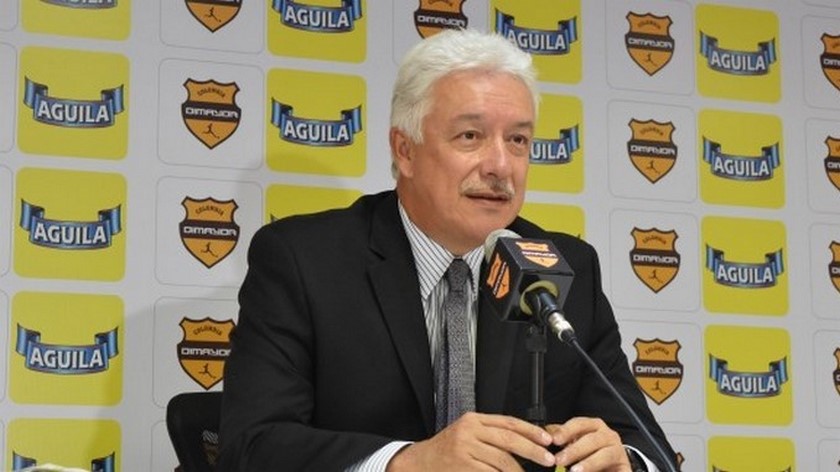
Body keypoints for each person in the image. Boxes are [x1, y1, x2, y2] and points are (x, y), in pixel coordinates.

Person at [218, 28, 676, 471]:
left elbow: (649, 447)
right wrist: (406, 462)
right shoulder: (304, 262)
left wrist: (627, 461)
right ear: (405, 150)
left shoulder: (564, 268)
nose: (500, 166)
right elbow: (252, 446)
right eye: (470, 136)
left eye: (517, 140)